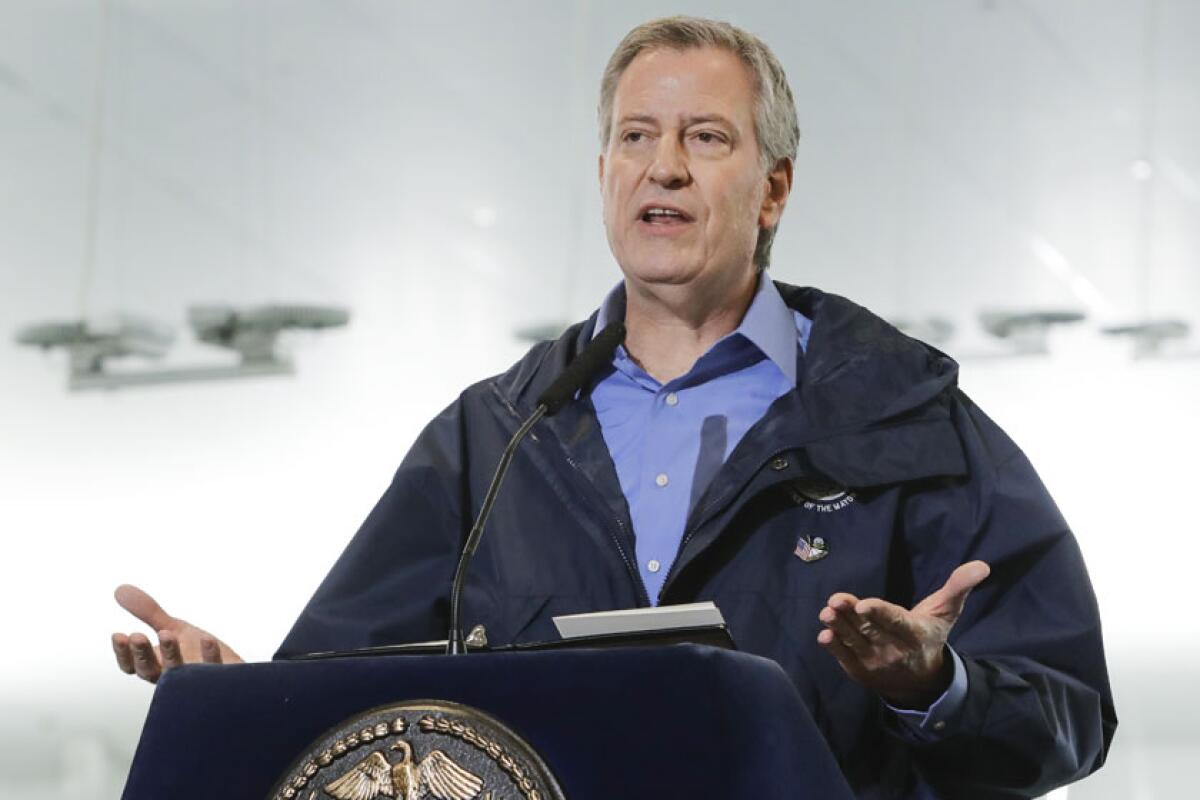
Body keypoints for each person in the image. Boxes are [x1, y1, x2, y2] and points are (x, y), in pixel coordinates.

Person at [112, 16, 1115, 799]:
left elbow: (1070, 716)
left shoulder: (906, 422)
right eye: (636, 136)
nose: (663, 164)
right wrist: (238, 689)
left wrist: (934, 686)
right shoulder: (497, 438)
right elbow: (353, 707)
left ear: (774, 187)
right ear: (603, 176)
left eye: (705, 136)